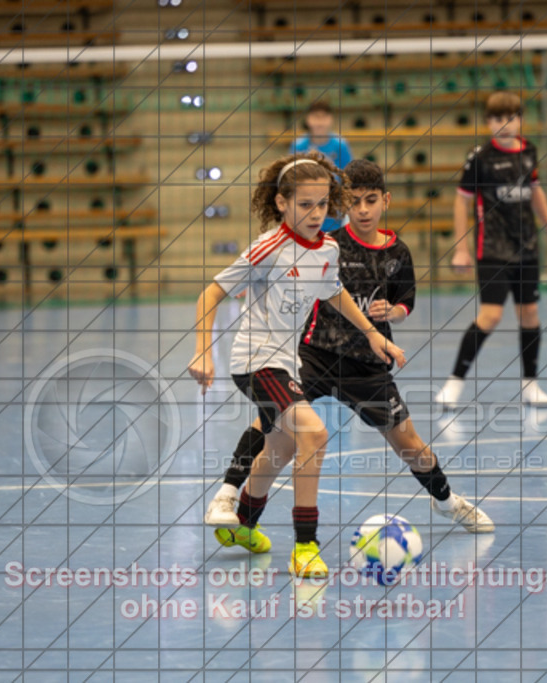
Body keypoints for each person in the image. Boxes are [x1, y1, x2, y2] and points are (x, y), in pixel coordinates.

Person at [203, 159, 494, 535]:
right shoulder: (325, 243)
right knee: (272, 427)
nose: (362, 210)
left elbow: (406, 301)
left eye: (370, 200)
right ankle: (235, 504)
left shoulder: (397, 253)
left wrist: (393, 313)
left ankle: (447, 502)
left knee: (411, 445)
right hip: (314, 354)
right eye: (354, 202)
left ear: (384, 201)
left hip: (367, 365)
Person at [188, 152, 406, 578]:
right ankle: (305, 546)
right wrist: (202, 351)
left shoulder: (326, 247)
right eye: (304, 204)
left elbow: (332, 291)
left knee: (283, 446)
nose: (315, 213)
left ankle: (243, 524)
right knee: (314, 432)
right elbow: (209, 295)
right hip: (254, 361)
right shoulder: (268, 247)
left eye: (322, 204)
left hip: (285, 365)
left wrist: (372, 333)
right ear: (282, 203)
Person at [435, 91, 547, 409]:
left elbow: (536, 193)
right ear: (487, 122)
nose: (504, 125)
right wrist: (461, 249)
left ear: (520, 119)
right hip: (491, 248)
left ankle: (531, 384)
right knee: (491, 315)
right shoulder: (479, 159)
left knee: (530, 314)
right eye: (496, 119)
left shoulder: (529, 151)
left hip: (527, 249)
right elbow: (461, 201)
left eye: (511, 117)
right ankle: (454, 383)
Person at [290, 100, 353, 232]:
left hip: (334, 214)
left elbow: (349, 179)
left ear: (331, 119)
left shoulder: (340, 146)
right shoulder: (298, 146)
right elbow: (290, 181)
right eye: (315, 117)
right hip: (305, 213)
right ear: (308, 119)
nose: (319, 122)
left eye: (324, 117)